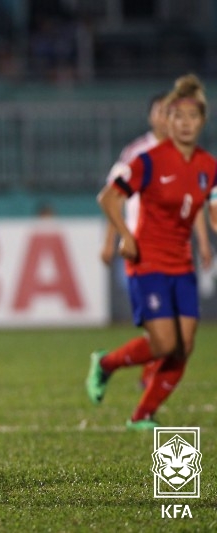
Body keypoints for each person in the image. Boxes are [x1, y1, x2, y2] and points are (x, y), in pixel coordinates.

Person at [89, 73, 217, 430]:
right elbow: (108, 198)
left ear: (202, 121)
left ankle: (141, 415)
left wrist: (207, 239)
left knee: (184, 346)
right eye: (178, 117)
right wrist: (124, 236)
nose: (186, 123)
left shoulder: (209, 166)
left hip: (182, 263)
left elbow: (212, 210)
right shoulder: (148, 160)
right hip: (147, 261)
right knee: (163, 343)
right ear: (167, 121)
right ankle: (105, 364)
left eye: (193, 117)